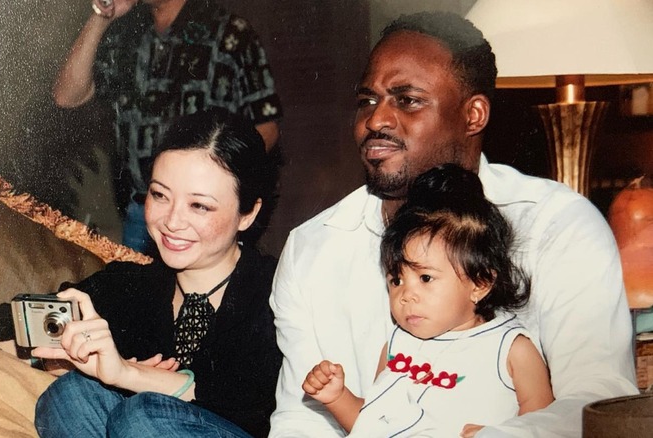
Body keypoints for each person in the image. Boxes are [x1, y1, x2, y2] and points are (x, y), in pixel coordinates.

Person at [269, 11, 638, 437]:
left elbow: (597, 399)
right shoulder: (313, 247)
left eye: (406, 100)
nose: (375, 120)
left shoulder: (555, 224)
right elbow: (302, 420)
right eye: (367, 100)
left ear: (474, 115)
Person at [33, 111, 282, 438]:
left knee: (143, 418)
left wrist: (129, 373)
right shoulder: (132, 285)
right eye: (160, 195)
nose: (172, 221)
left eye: (200, 206)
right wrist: (61, 352)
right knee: (71, 395)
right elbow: (0, 323)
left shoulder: (277, 289)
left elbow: (251, 403)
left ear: (248, 214)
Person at [302, 164, 554, 437]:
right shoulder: (396, 344)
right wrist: (337, 398)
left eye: (425, 278)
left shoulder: (511, 349)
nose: (405, 295)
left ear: (480, 283)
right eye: (396, 280)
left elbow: (545, 426)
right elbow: (373, 425)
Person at [53, 0, 283, 253]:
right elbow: (67, 96)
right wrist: (101, 16)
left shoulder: (230, 32)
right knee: (143, 290)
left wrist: (221, 181)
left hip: (203, 216)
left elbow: (267, 126)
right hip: (143, 212)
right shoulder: (126, 35)